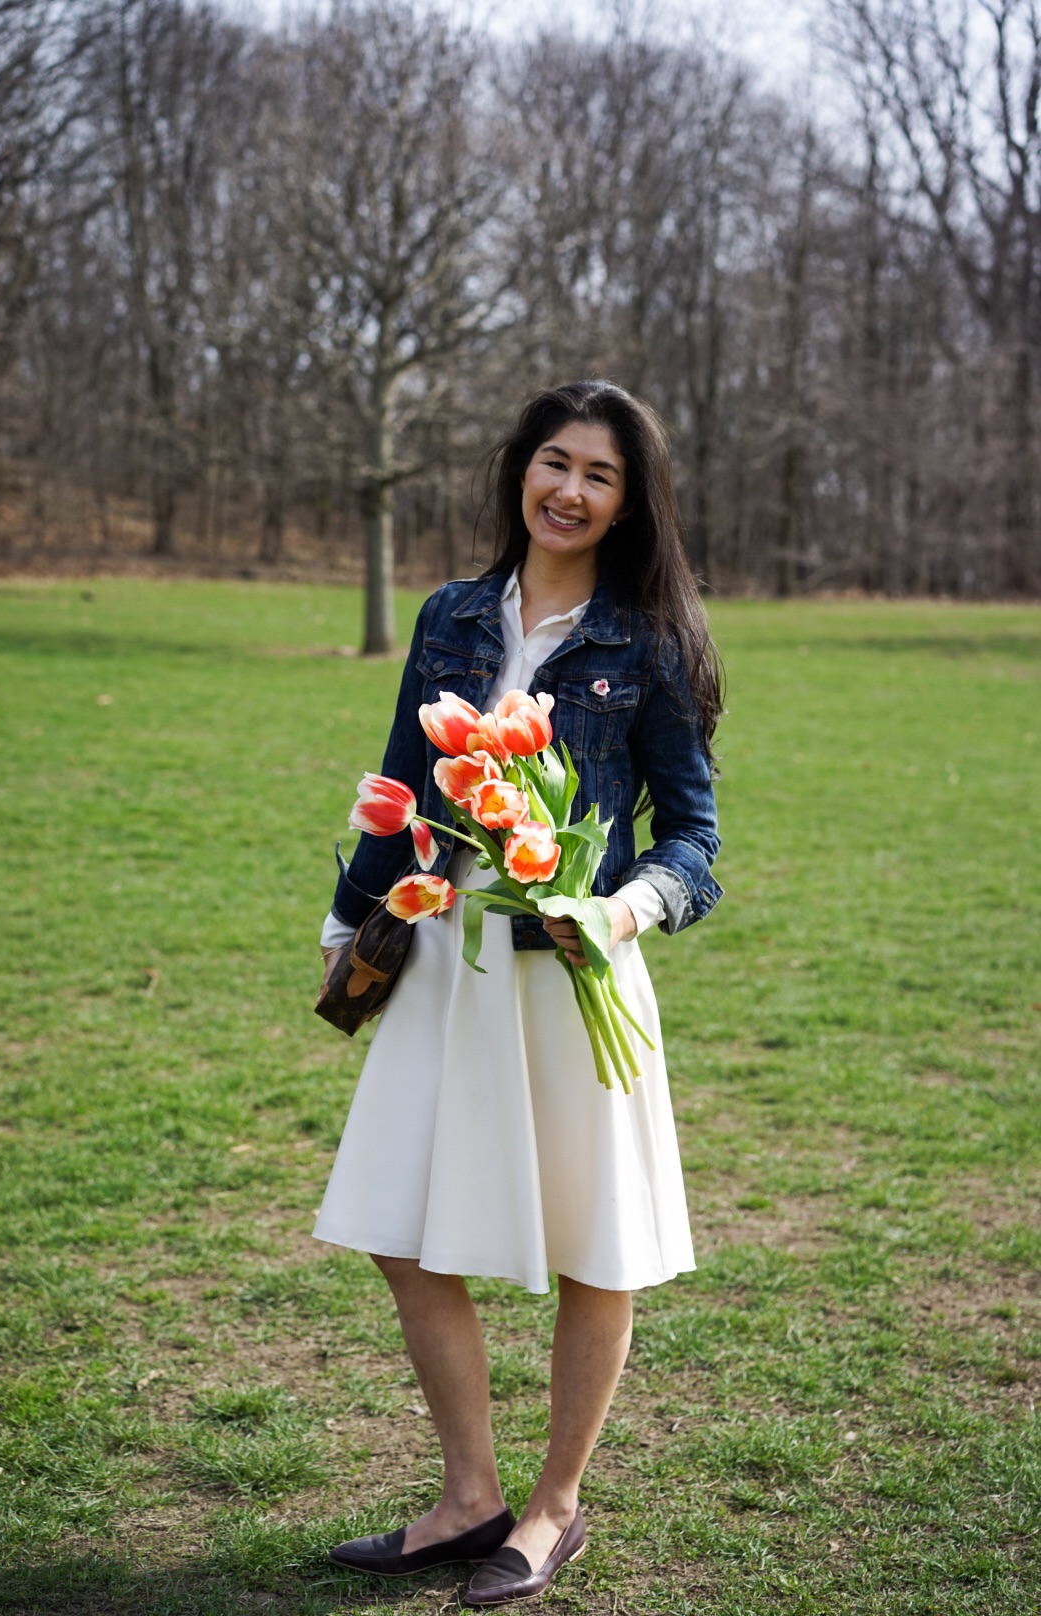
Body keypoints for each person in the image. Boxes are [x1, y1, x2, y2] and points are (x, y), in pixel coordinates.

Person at [313, 380, 724, 1606]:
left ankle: (552, 1509)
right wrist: (350, 929)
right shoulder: (447, 616)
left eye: (600, 475)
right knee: (394, 1224)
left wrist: (618, 906)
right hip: (444, 966)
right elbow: (398, 787)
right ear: (519, 470)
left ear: (628, 501)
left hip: (574, 977)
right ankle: (466, 1495)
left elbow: (695, 841)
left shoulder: (646, 643)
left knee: (598, 1249)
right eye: (555, 462)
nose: (570, 490)